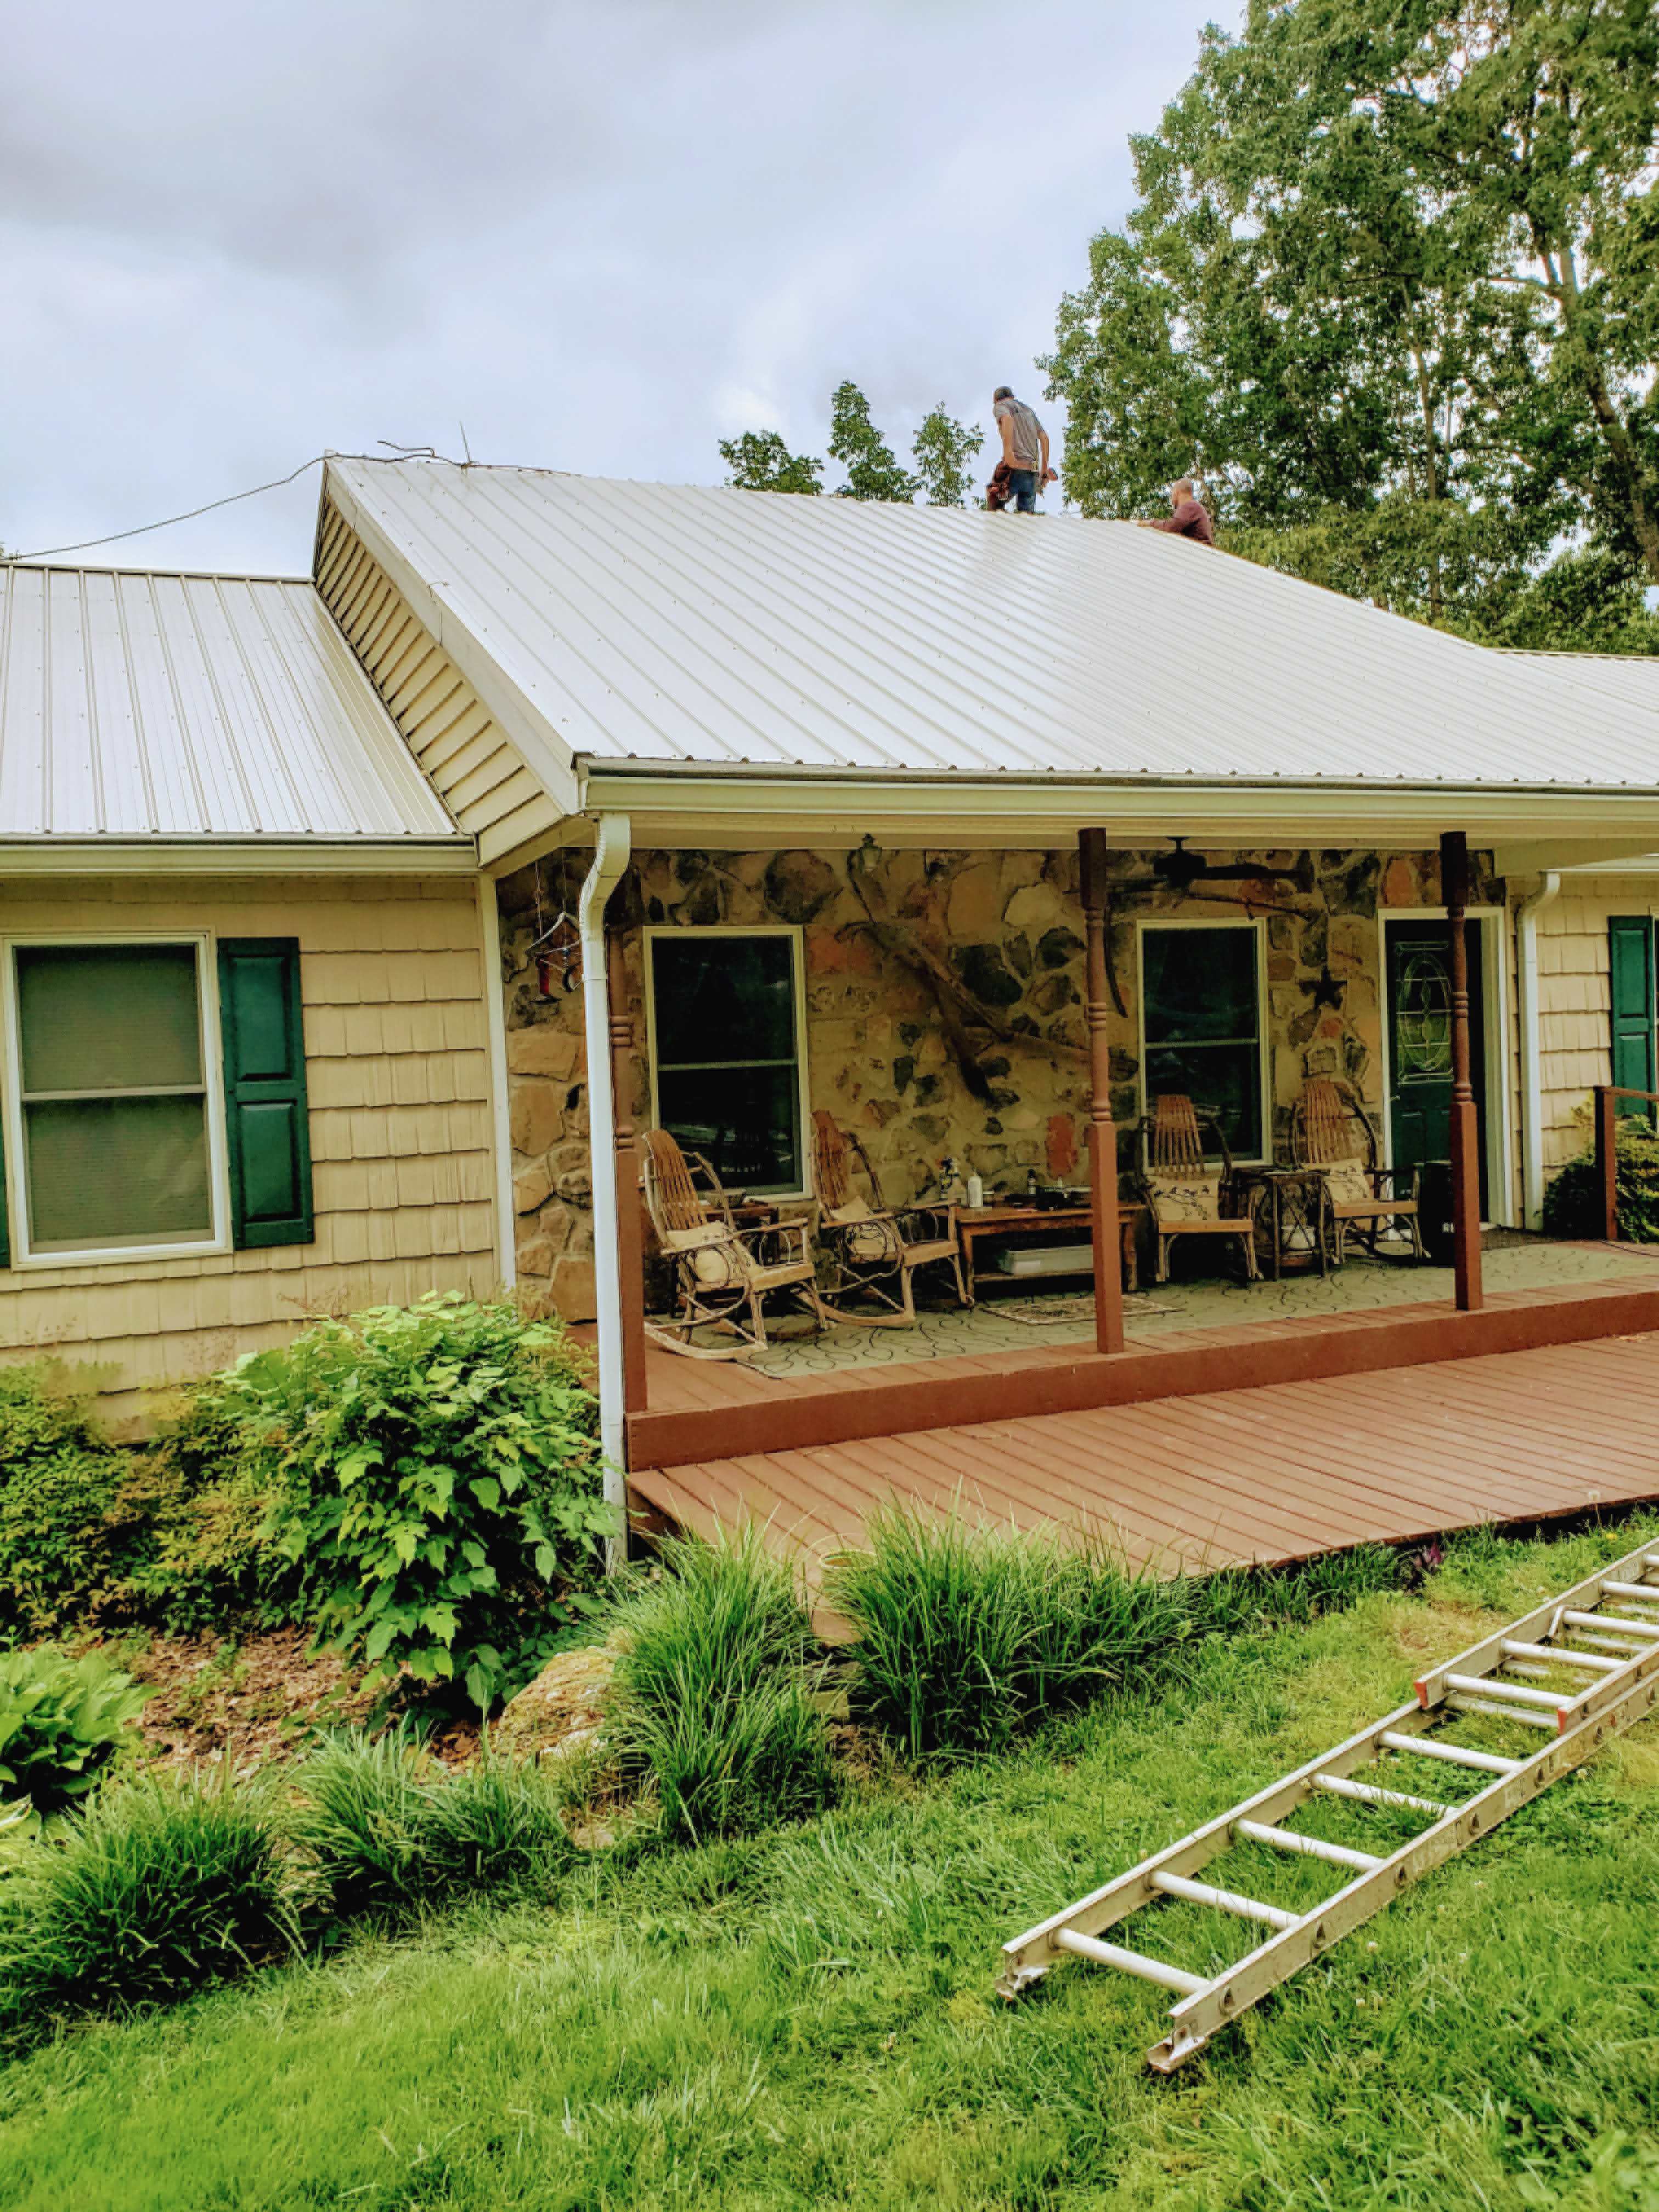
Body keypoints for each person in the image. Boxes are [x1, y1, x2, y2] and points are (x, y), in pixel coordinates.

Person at [989, 386, 1054, 513]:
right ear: (1012, 397)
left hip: (1015, 467)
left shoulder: (1001, 406)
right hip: (1032, 470)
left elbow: (1007, 419)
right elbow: (1044, 437)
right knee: (1026, 518)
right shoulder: (1028, 411)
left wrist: (1009, 455)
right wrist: (1044, 470)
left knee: (994, 499)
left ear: (997, 400)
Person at [1137, 478, 1215, 545]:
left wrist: (1150, 523)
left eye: (1172, 493)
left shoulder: (1190, 506)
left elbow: (1171, 526)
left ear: (1177, 493)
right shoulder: (1196, 508)